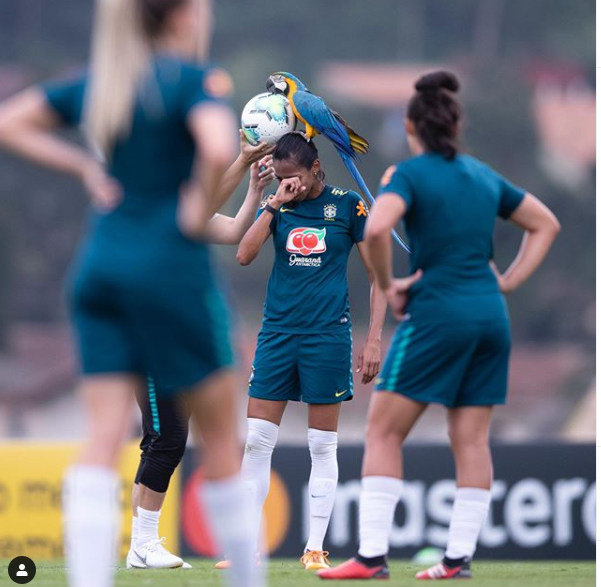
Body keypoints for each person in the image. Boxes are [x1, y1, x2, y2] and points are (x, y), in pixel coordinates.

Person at [0, 2, 265, 587]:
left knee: (101, 438)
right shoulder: (189, 81)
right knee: (222, 441)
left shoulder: (102, 84)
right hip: (169, 271)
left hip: (99, 268)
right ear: (181, 17)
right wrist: (193, 211)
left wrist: (85, 170)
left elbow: (9, 122)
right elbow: (218, 147)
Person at [319, 71, 560, 581]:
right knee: (471, 441)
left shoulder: (408, 174)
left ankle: (371, 557)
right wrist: (509, 282)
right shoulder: (482, 175)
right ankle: (456, 561)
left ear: (411, 125)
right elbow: (545, 224)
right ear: (456, 124)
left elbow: (379, 226)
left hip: (438, 314)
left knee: (383, 431)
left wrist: (388, 284)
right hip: (490, 317)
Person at [222, 131, 387, 572]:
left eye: (292, 177)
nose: (287, 184)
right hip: (277, 333)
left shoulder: (348, 205)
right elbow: (242, 255)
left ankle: (315, 547)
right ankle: (246, 550)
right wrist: (273, 202)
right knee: (256, 441)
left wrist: (373, 339)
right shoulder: (278, 204)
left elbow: (379, 276)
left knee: (321, 444)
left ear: (315, 169)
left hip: (326, 337)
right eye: (280, 177)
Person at [128, 143, 275, 570]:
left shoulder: (178, 210)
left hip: (174, 340)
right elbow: (198, 207)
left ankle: (142, 544)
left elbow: (229, 232)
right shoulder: (156, 211)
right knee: (169, 439)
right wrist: (242, 160)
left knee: (159, 440)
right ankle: (143, 544)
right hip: (151, 342)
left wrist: (251, 191)